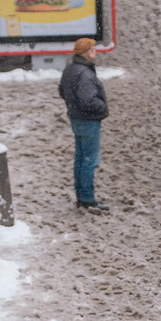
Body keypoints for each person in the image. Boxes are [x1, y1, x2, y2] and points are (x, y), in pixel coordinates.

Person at [58, 38, 110, 212]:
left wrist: (72, 105)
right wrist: (102, 107)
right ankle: (87, 199)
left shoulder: (70, 69)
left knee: (80, 159)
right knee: (90, 160)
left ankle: (81, 196)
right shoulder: (85, 73)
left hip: (76, 119)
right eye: (93, 50)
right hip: (88, 121)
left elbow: (61, 90)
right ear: (87, 52)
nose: (95, 53)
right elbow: (88, 100)